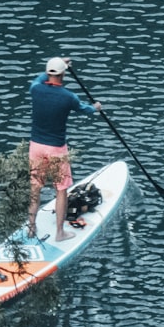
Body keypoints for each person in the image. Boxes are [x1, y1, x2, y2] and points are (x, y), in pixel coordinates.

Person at [28, 56, 102, 241]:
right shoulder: (69, 97)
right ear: (63, 75)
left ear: (48, 72)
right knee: (61, 190)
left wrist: (58, 64)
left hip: (35, 146)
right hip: (56, 149)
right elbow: (86, 109)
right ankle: (60, 233)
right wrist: (96, 108)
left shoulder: (35, 89)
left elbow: (41, 77)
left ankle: (31, 228)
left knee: (35, 187)